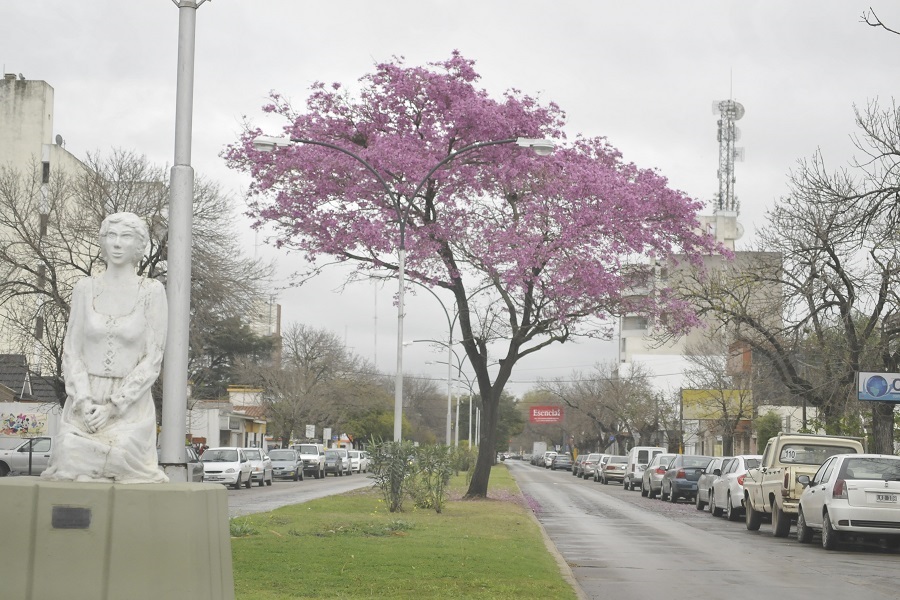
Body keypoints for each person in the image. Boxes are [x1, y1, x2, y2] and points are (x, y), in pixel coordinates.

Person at [42, 212, 168, 483]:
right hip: (85, 398)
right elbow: (72, 351)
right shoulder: (85, 288)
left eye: (126, 236)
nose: (117, 243)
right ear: (103, 241)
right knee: (68, 451)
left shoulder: (151, 291)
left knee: (118, 455)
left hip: (130, 406)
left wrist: (113, 406)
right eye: (111, 236)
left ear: (140, 245)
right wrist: (83, 401)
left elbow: (153, 357)